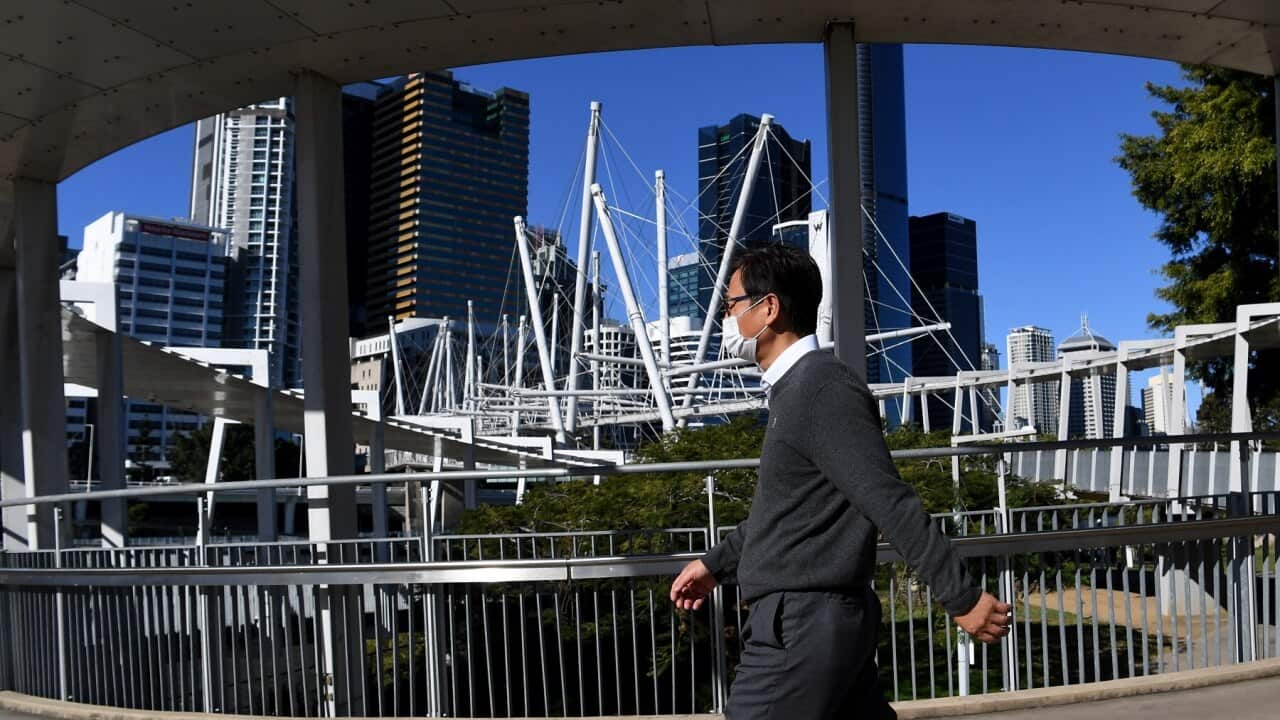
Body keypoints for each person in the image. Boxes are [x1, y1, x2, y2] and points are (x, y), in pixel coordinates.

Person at [669, 245, 1011, 719]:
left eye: (731, 304)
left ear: (768, 309)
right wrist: (713, 565)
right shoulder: (794, 393)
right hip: (810, 621)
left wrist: (960, 596)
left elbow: (888, 498)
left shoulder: (821, 388)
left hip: (800, 627)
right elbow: (780, 513)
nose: (726, 318)